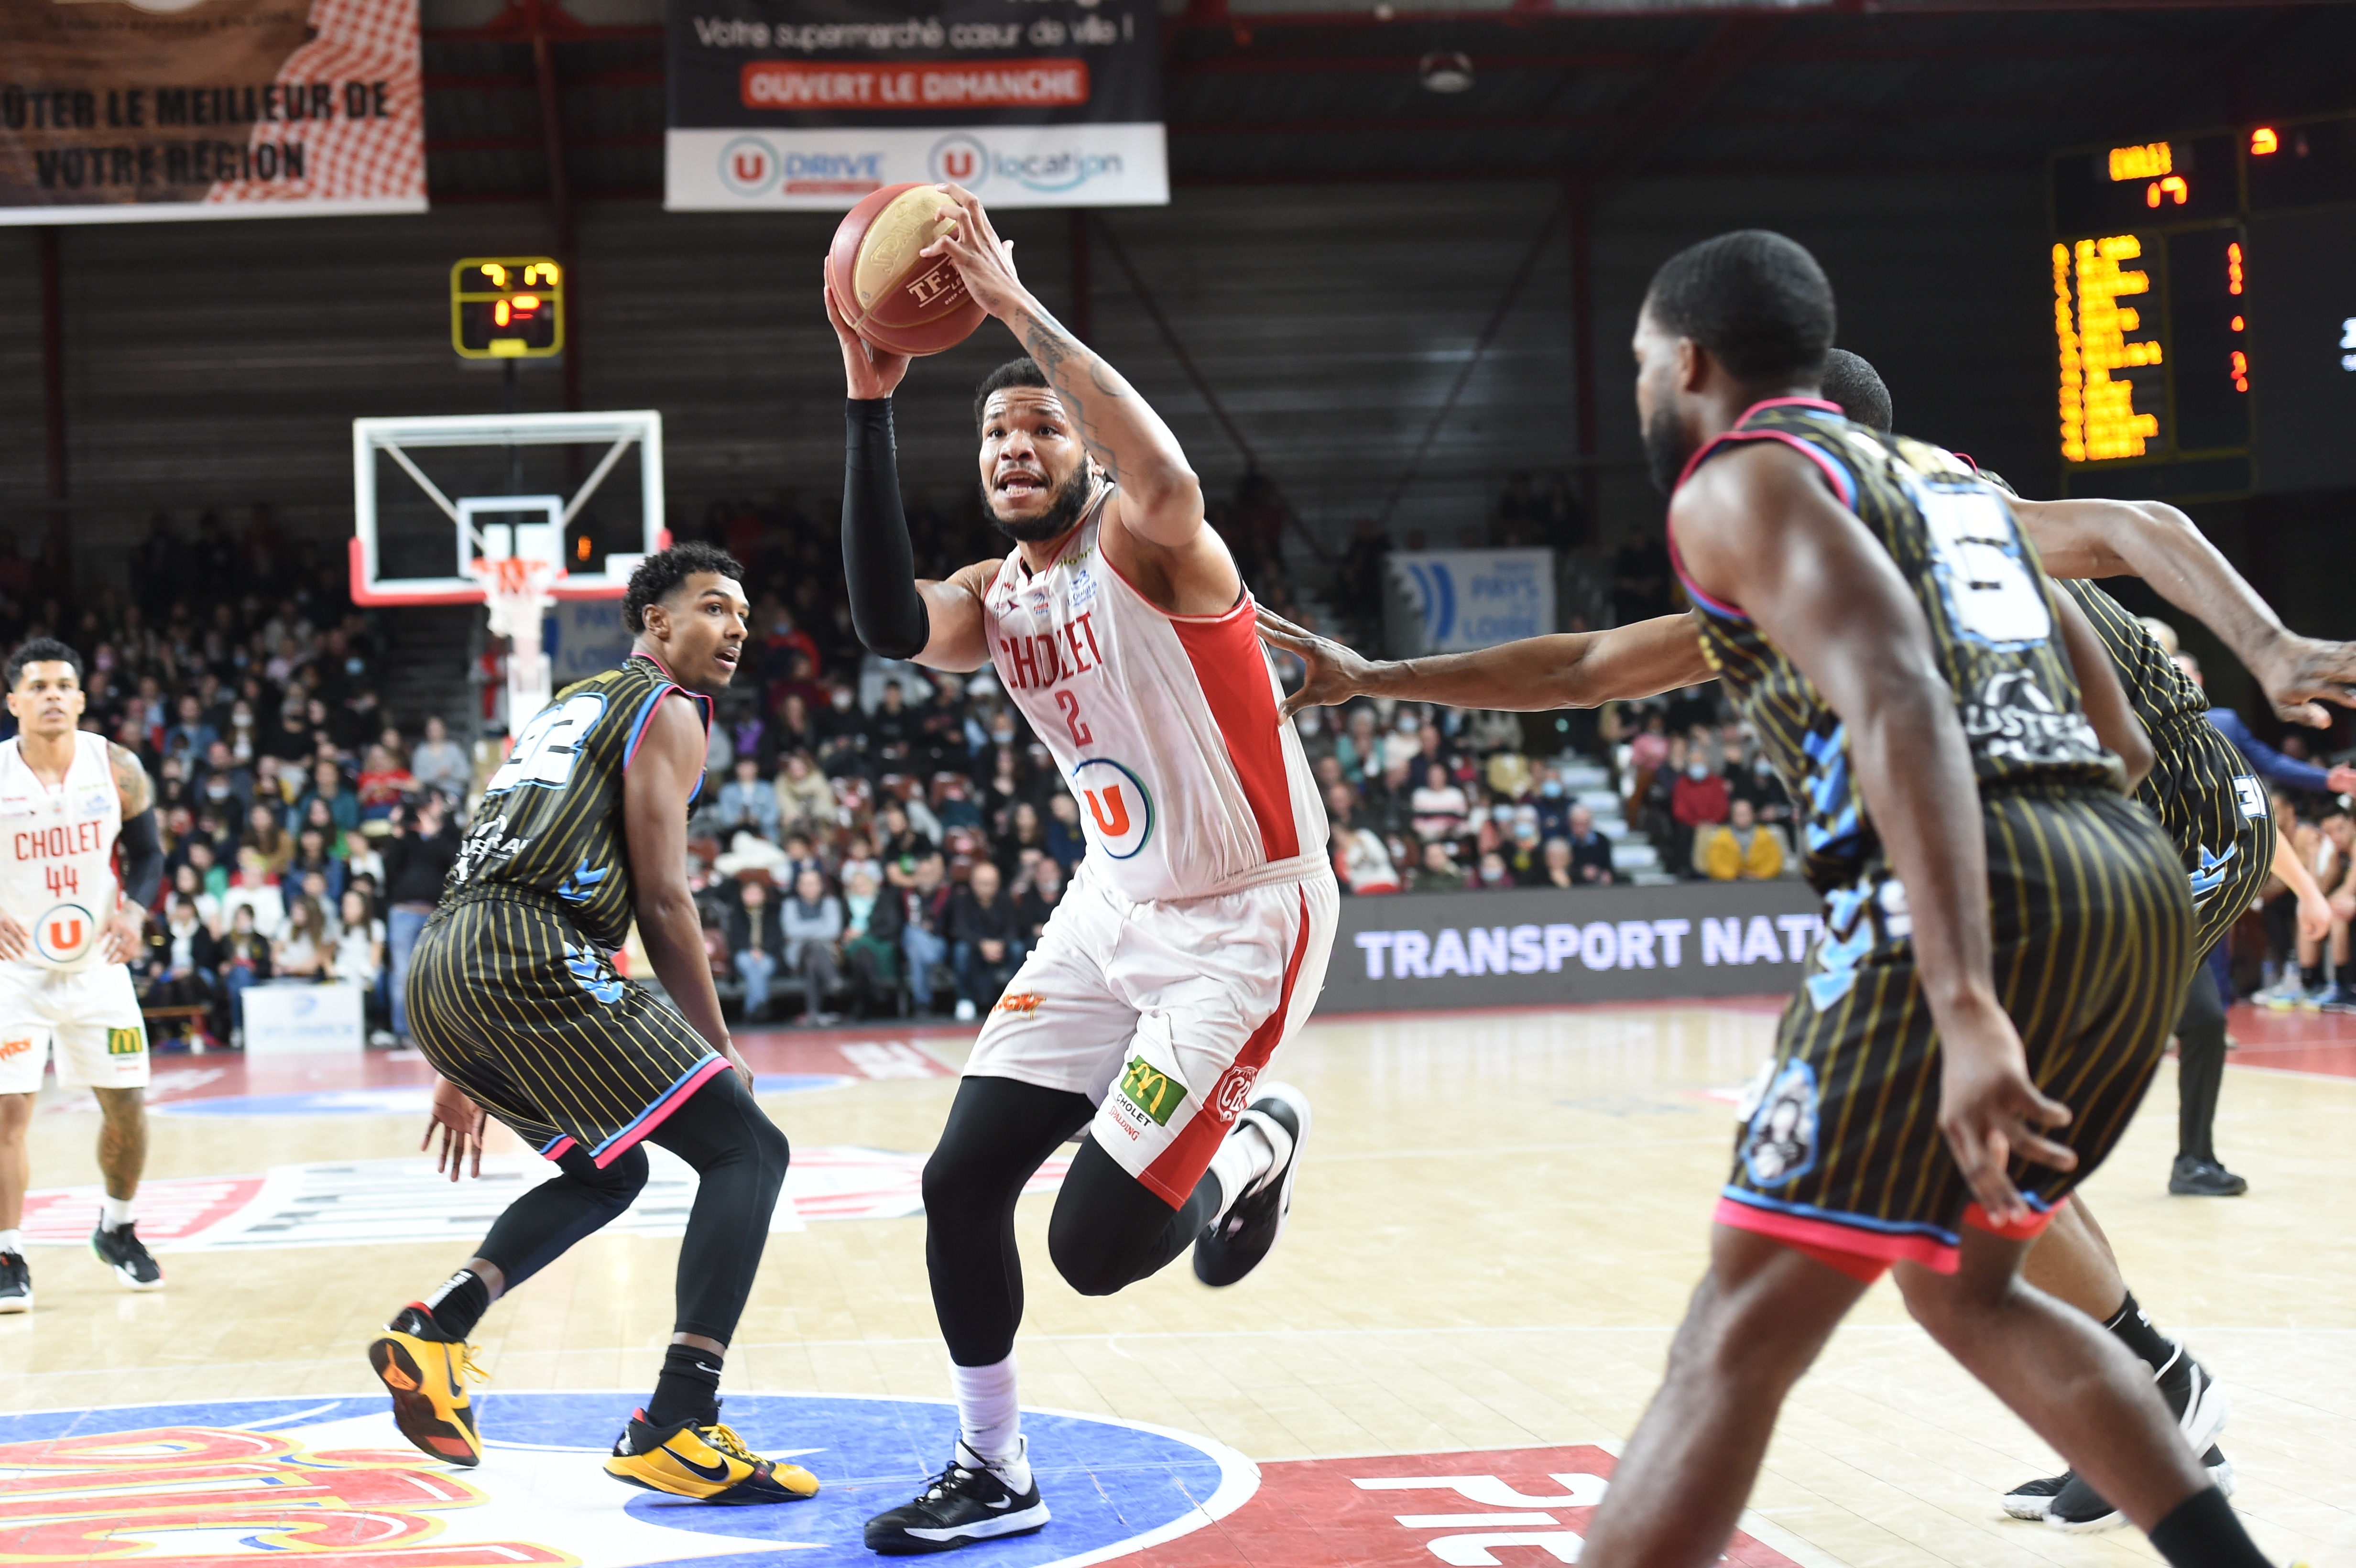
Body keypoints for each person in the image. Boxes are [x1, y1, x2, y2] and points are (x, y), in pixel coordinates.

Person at [1267, 231, 2278, 1568]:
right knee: (1965, 1290)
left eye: (1638, 361)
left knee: (1729, 1338)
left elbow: (1895, 693)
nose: (1638, 387)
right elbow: (2123, 729)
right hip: (2124, 873)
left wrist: (1968, 1000)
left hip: (1980, 895)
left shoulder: (1740, 486)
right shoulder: (1948, 485)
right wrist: (1374, 677)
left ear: (1687, 362)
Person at [830, 183, 1337, 1555]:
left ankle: (1252, 1138)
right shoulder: (997, 597)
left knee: (1097, 1254)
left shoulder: (1152, 539)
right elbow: (884, 620)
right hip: (1111, 911)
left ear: (1089, 452)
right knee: (958, 1183)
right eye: (993, 429)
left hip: (1244, 922)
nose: (1013, 443)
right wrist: (873, 398)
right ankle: (995, 1470)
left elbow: (1164, 469)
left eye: (1040, 425)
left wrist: (1007, 307)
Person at [366, 544, 816, 1508]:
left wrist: (466, 1056)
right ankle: (677, 1421)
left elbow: (510, 844)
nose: (737, 626)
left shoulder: (568, 701)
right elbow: (661, 896)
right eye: (712, 607)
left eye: (744, 612)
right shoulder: (670, 707)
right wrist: (717, 1039)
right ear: (656, 622)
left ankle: (436, 1328)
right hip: (526, 951)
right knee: (749, 1147)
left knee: (608, 1168)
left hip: (446, 963)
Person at [0, 638, 169, 1312]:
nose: (52, 696)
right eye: (37, 686)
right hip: (14, 972)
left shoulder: (116, 765)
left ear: (80, 697)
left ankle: (118, 1226)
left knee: (127, 1105)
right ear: (13, 702)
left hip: (98, 965)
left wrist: (133, 912)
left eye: (63, 685)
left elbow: (150, 852)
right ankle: (8, 1249)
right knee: (10, 1111)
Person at [382, 794, 458, 1045]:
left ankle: (438, 1032)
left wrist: (435, 831)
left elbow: (455, 862)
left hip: (434, 914)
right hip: (404, 912)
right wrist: (399, 831)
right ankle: (403, 1032)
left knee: (436, 974)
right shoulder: (405, 841)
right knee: (403, 973)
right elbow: (390, 869)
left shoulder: (446, 836)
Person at [779, 867, 844, 1025]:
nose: (809, 888)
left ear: (821, 886)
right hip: (797, 957)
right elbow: (791, 930)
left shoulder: (831, 903)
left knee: (812, 959)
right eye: (806, 884)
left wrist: (805, 931)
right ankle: (833, 980)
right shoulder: (790, 905)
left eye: (813, 883)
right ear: (799, 887)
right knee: (813, 947)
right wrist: (819, 927)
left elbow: (834, 930)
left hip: (826, 956)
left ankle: (813, 1013)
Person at [1693, 796, 1790, 881]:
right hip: (1727, 886)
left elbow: (1774, 861)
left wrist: (1759, 876)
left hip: (1763, 885)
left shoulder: (1766, 836)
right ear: (1732, 816)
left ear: (1752, 815)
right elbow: (1715, 863)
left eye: (1745, 814)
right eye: (1739, 814)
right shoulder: (1720, 837)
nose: (1743, 818)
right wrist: (1736, 876)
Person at [728, 877, 781, 1022]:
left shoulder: (772, 913)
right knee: (747, 962)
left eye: (756, 893)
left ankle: (750, 1009)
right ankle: (761, 1005)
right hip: (744, 954)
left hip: (767, 954)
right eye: (749, 893)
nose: (752, 897)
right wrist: (750, 950)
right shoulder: (736, 914)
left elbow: (776, 937)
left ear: (763, 895)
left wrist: (762, 950)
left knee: (763, 966)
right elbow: (734, 940)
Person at [410, 715, 472, 803]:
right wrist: (436, 775)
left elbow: (467, 774)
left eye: (438, 729)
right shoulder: (421, 752)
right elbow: (417, 778)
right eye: (432, 729)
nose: (435, 732)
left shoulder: (454, 749)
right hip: (428, 793)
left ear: (444, 730)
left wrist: (450, 773)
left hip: (453, 792)